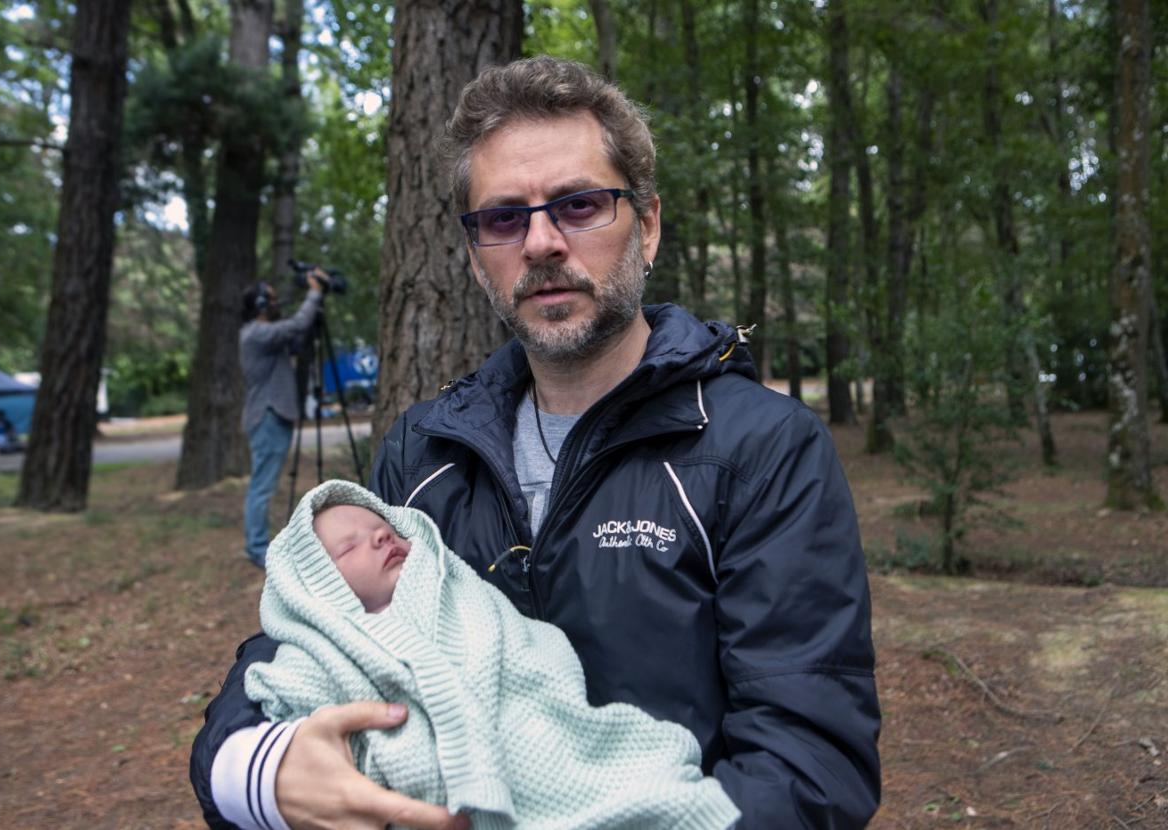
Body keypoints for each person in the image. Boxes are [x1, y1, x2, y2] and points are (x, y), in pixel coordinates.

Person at [192, 56, 880, 829]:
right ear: (476, 253)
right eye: (503, 218)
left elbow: (811, 764)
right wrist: (255, 768)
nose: (543, 242)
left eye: (580, 205)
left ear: (646, 225)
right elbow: (304, 622)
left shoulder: (760, 450)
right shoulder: (424, 454)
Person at [241, 478, 739, 830]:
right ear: (315, 588)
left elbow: (533, 647)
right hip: (426, 800)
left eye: (386, 530)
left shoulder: (459, 595)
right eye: (350, 547)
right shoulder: (321, 650)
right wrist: (257, 768)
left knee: (645, 781)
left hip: (536, 740)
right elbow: (283, 700)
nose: (380, 536)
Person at [240, 272, 325, 568]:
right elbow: (297, 324)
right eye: (272, 299)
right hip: (267, 415)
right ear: (261, 304)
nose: (277, 303)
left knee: (262, 484)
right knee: (262, 486)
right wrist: (313, 294)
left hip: (271, 414)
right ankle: (256, 548)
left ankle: (257, 544)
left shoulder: (264, 336)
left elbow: (297, 339)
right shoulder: (256, 333)